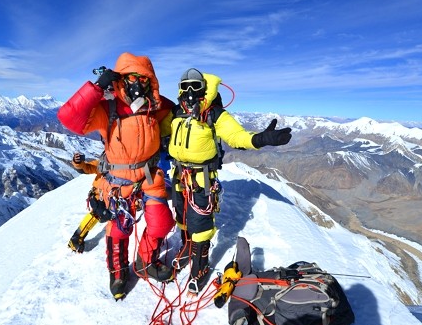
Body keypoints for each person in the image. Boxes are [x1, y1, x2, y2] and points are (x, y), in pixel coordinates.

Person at [57, 52, 176, 300]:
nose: (138, 84)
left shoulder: (155, 106)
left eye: (144, 79)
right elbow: (69, 118)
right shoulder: (107, 108)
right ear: (122, 78)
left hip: (150, 175)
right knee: (120, 229)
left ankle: (146, 261)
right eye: (132, 77)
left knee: (162, 222)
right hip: (118, 181)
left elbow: (179, 111)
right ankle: (118, 272)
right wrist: (96, 88)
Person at [168, 68, 292, 294]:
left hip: (201, 178)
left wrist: (261, 138)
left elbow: (237, 136)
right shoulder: (177, 114)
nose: (189, 92)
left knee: (201, 225)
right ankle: (187, 248)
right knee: (182, 215)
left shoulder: (215, 115)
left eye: (195, 87)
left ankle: (199, 269)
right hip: (178, 175)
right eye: (184, 87)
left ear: (204, 89)